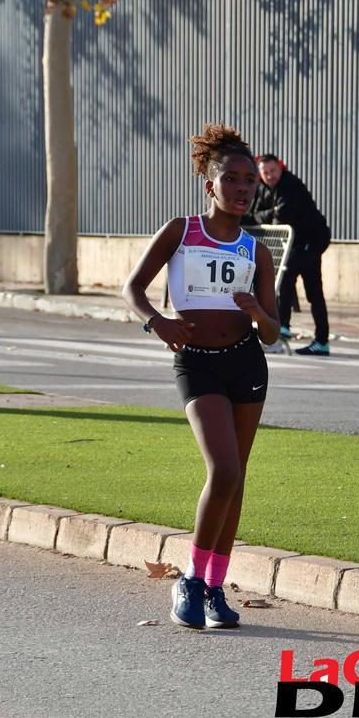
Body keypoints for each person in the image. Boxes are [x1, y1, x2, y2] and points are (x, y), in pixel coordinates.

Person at [122, 123, 280, 630]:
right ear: (209, 184)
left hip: (246, 362)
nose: (242, 189)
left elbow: (273, 332)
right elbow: (133, 288)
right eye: (230, 179)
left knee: (237, 478)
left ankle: (214, 587)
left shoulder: (257, 251)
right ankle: (189, 579)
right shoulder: (181, 231)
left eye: (249, 181)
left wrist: (257, 312)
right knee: (224, 469)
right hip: (197, 363)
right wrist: (157, 322)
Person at [248, 154, 331, 356]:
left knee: (310, 289)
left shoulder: (290, 185)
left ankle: (318, 339)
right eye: (265, 172)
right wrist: (270, 212)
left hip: (311, 240)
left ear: (280, 168)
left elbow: (280, 218)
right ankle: (283, 325)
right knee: (285, 278)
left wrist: (267, 214)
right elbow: (252, 215)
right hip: (294, 244)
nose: (270, 176)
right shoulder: (262, 188)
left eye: (273, 171)